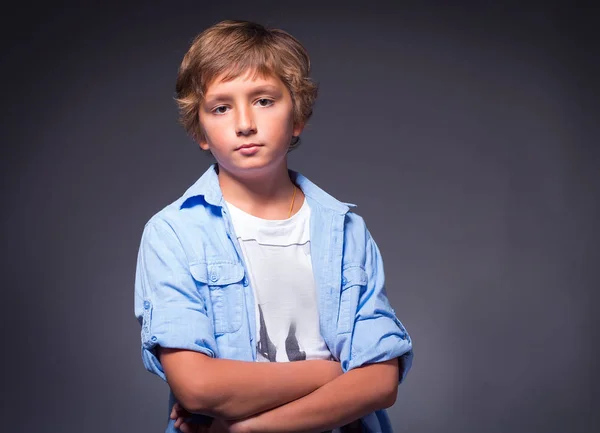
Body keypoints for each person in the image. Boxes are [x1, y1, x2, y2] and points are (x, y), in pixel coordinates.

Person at [134, 19, 413, 433]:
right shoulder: (172, 234)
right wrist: (334, 372)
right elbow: (198, 388)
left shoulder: (345, 231)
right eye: (221, 107)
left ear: (297, 116)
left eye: (264, 100)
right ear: (202, 132)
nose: (244, 123)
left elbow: (380, 382)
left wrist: (246, 429)